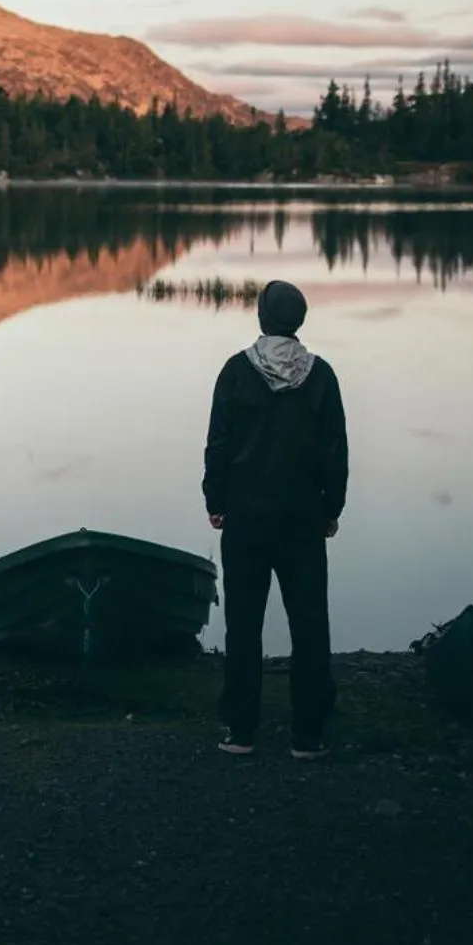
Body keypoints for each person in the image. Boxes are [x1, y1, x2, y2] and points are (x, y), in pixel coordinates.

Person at [201, 279, 348, 760]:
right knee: (310, 623)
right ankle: (308, 735)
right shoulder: (321, 375)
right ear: (297, 321)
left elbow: (219, 444)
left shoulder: (236, 372)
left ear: (263, 318)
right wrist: (332, 508)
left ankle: (242, 731)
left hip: (245, 516)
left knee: (243, 625)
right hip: (303, 518)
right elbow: (335, 452)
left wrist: (215, 499)